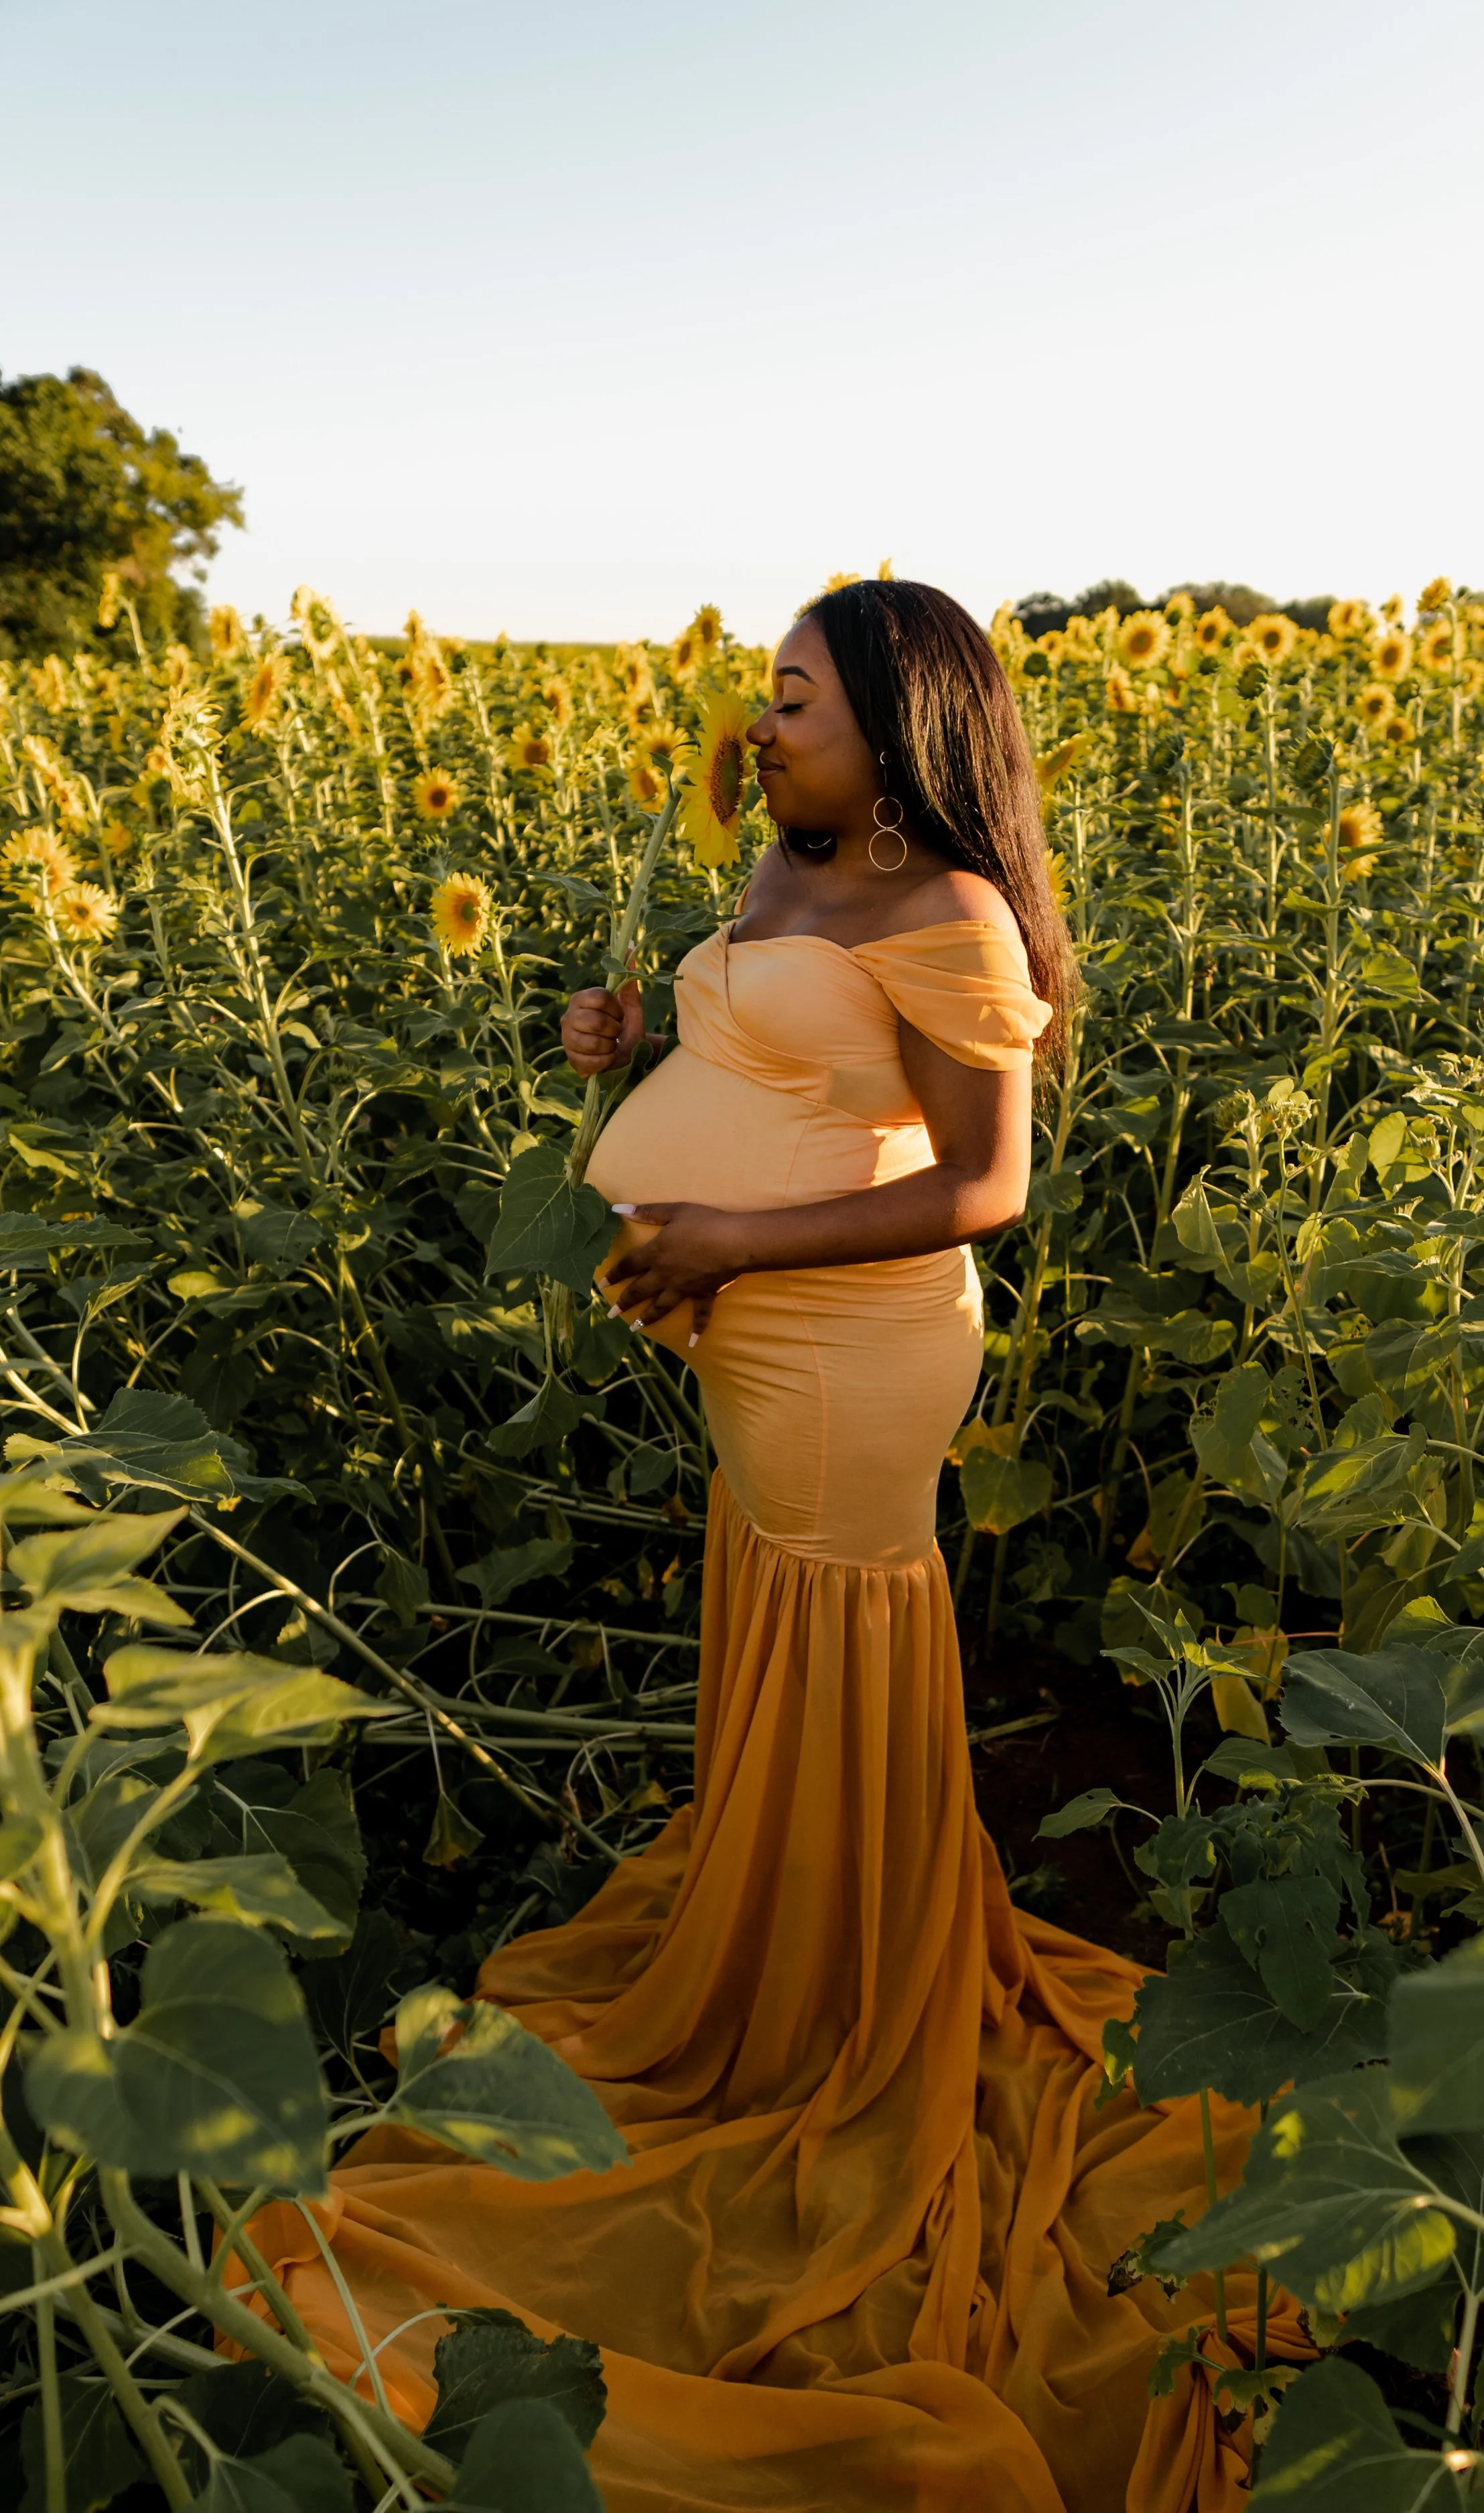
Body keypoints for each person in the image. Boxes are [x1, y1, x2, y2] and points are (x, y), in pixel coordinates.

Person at [249, 582, 1296, 2511]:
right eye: (769, 692)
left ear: (902, 729)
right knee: (780, 1617)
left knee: (839, 1620)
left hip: (850, 1351)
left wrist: (724, 1239)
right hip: (751, 1347)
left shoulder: (950, 912)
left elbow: (985, 1181)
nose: (762, 717)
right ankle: (795, 1935)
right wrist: (623, 1049)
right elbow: (764, 1066)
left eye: (795, 695)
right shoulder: (788, 862)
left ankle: (834, 2001)